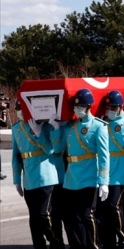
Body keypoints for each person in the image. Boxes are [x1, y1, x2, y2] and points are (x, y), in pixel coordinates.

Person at [50, 88, 110, 249]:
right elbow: (58, 148)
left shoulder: (99, 126)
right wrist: (56, 129)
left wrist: (103, 181)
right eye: (76, 106)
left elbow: (104, 156)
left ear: (89, 106)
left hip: (90, 177)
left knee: (87, 215)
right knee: (72, 216)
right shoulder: (70, 127)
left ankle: (94, 245)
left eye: (81, 106)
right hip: (72, 178)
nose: (77, 109)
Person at [12, 99, 65, 249]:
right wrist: (17, 179)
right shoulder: (16, 128)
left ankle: (56, 242)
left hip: (46, 176)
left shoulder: (45, 125)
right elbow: (16, 156)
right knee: (34, 218)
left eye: (22, 108)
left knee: (44, 215)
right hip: (29, 178)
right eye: (18, 108)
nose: (20, 111)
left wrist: (38, 133)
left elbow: (51, 150)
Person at [98, 91, 124, 249]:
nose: (110, 110)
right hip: (104, 172)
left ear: (120, 107)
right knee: (104, 209)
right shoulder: (102, 123)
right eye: (108, 107)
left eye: (113, 107)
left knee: (114, 206)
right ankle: (108, 241)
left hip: (122, 172)